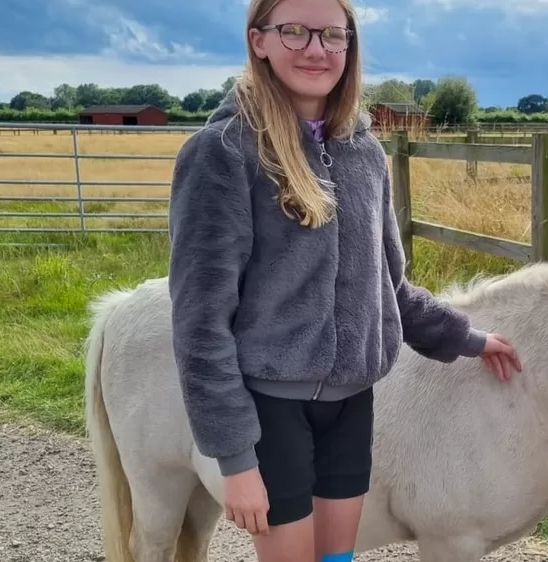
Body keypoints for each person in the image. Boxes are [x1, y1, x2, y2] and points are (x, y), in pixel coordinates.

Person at [165, 0, 523, 560]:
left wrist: (469, 338)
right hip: (271, 412)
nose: (316, 48)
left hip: (351, 405)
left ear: (350, 45)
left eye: (333, 34)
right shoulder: (221, 154)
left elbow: (391, 289)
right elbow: (199, 325)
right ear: (258, 41)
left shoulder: (366, 155)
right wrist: (234, 460)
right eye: (295, 31)